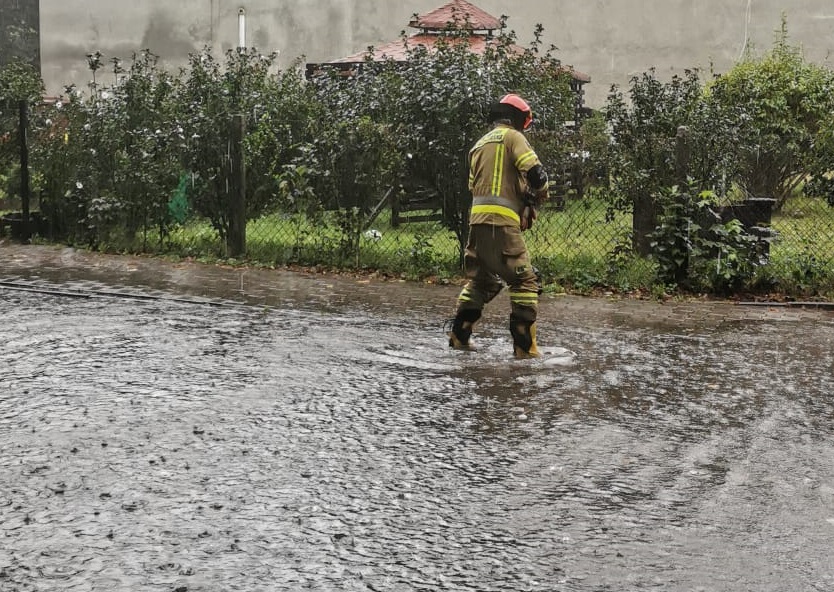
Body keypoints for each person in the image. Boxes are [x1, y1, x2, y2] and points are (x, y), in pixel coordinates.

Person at [447, 93, 549, 359]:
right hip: (502, 224)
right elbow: (536, 173)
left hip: (477, 223)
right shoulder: (512, 137)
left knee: (482, 281)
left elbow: (476, 186)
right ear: (517, 118)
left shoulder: (478, 145)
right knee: (525, 281)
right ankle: (525, 348)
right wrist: (538, 194)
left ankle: (459, 336)